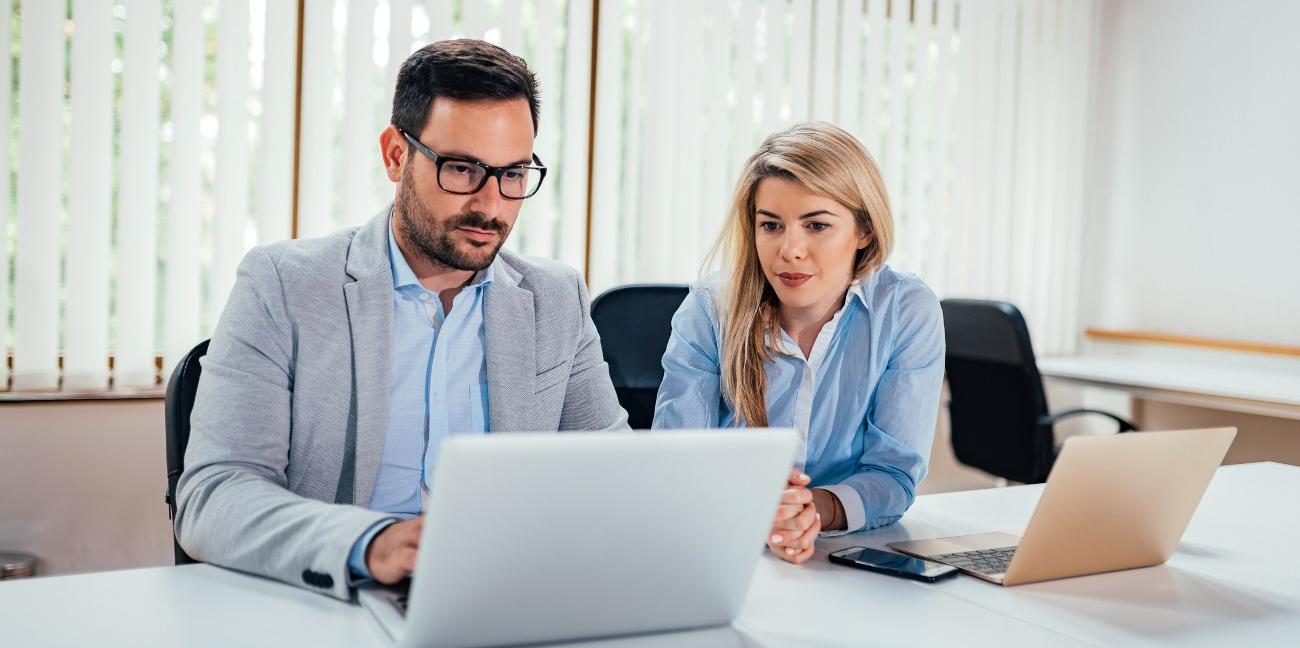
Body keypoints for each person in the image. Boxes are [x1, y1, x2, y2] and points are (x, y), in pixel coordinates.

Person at [175, 39, 628, 600]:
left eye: (513, 175)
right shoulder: (285, 285)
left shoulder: (554, 299)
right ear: (395, 155)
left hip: (505, 598)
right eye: (461, 169)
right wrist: (373, 542)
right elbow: (214, 495)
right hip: (336, 600)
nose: (491, 205)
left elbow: (613, 477)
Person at [653, 122, 945, 564]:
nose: (790, 249)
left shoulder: (905, 311)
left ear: (864, 230)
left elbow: (893, 474)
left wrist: (816, 510)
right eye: (771, 225)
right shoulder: (709, 311)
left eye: (816, 225)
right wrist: (755, 509)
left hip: (847, 557)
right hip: (719, 550)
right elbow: (678, 467)